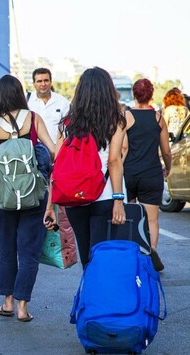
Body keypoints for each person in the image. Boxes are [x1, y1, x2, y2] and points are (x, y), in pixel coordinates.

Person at [0, 74, 55, 323]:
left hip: (4, 195)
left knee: (7, 248)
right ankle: (23, 306)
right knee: (29, 250)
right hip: (34, 192)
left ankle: (7, 302)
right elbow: (53, 152)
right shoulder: (33, 119)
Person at [44, 67, 127, 269]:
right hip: (105, 196)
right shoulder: (115, 121)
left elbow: (58, 166)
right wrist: (119, 200)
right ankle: (99, 298)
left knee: (86, 255)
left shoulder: (67, 124)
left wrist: (50, 207)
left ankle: (88, 298)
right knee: (102, 254)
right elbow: (115, 161)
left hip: (74, 196)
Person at [123, 79, 172, 271]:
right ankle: (150, 253)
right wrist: (168, 168)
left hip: (129, 173)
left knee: (129, 217)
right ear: (151, 95)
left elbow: (122, 147)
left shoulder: (125, 117)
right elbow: (166, 151)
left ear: (134, 95)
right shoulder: (158, 118)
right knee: (151, 219)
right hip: (151, 173)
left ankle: (131, 255)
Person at [27, 68, 70, 144]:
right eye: (39, 81)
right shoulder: (27, 101)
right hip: (33, 150)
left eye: (46, 80)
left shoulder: (62, 102)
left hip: (56, 150)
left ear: (51, 82)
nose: (43, 84)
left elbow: (68, 128)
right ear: (34, 84)